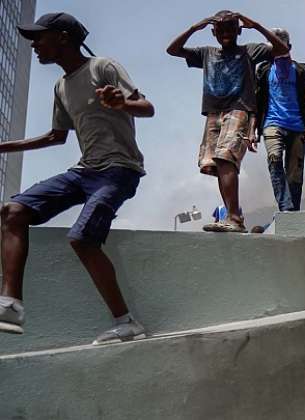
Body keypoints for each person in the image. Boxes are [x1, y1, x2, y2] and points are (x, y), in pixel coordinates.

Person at [0, 13, 154, 345]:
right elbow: (57, 136)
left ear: (64, 38)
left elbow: (146, 107)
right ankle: (11, 303)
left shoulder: (102, 67)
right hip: (84, 172)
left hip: (120, 170)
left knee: (82, 238)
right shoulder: (61, 86)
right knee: (13, 211)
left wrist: (122, 102)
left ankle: (127, 322)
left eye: (40, 38)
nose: (34, 45)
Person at [166, 10, 289, 233]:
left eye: (230, 29)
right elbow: (172, 50)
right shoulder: (207, 53)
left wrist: (257, 25)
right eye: (220, 30)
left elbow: (281, 49)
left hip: (239, 110)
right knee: (215, 164)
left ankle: (233, 217)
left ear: (238, 30)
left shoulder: (249, 50)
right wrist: (195, 27)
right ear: (213, 32)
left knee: (226, 159)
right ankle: (232, 217)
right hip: (214, 113)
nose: (225, 33)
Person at [256, 28, 305, 212]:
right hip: (271, 124)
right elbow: (256, 102)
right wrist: (252, 132)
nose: (275, 50)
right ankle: (286, 207)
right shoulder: (264, 70)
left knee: (295, 174)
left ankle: (293, 212)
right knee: (274, 159)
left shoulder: (303, 71)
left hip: (297, 126)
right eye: (272, 47)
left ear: (289, 46)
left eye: (280, 45)